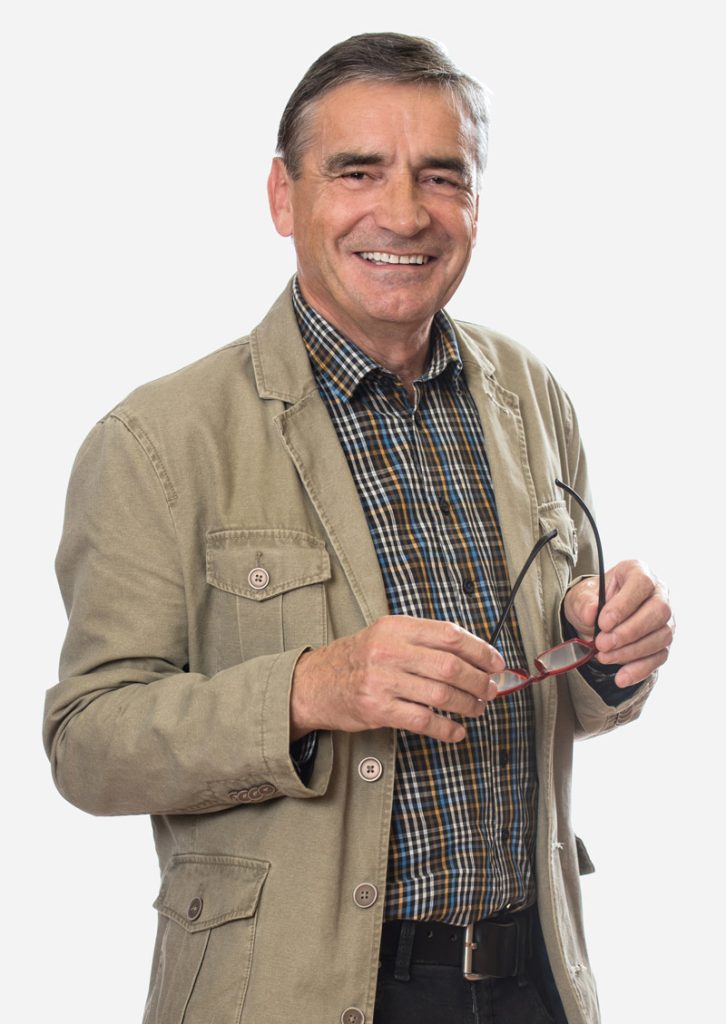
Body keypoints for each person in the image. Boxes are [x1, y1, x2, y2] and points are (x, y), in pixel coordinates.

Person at [44, 32, 673, 1024]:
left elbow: (567, 695)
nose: (405, 213)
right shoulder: (157, 439)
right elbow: (87, 743)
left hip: (537, 981)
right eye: (358, 171)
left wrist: (605, 652)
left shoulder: (531, 394)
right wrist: (308, 689)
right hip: (296, 994)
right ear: (282, 196)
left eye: (442, 176)